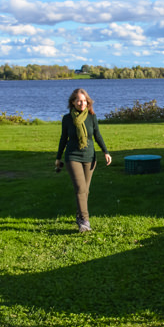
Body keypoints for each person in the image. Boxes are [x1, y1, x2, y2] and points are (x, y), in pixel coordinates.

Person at [55, 88, 112, 232]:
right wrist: (58, 157)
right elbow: (63, 139)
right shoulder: (67, 119)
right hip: (73, 157)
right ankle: (84, 221)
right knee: (80, 189)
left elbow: (97, 135)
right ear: (73, 102)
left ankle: (79, 215)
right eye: (79, 101)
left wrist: (105, 152)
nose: (82, 103)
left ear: (88, 102)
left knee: (85, 191)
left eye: (84, 100)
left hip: (89, 157)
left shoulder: (92, 117)